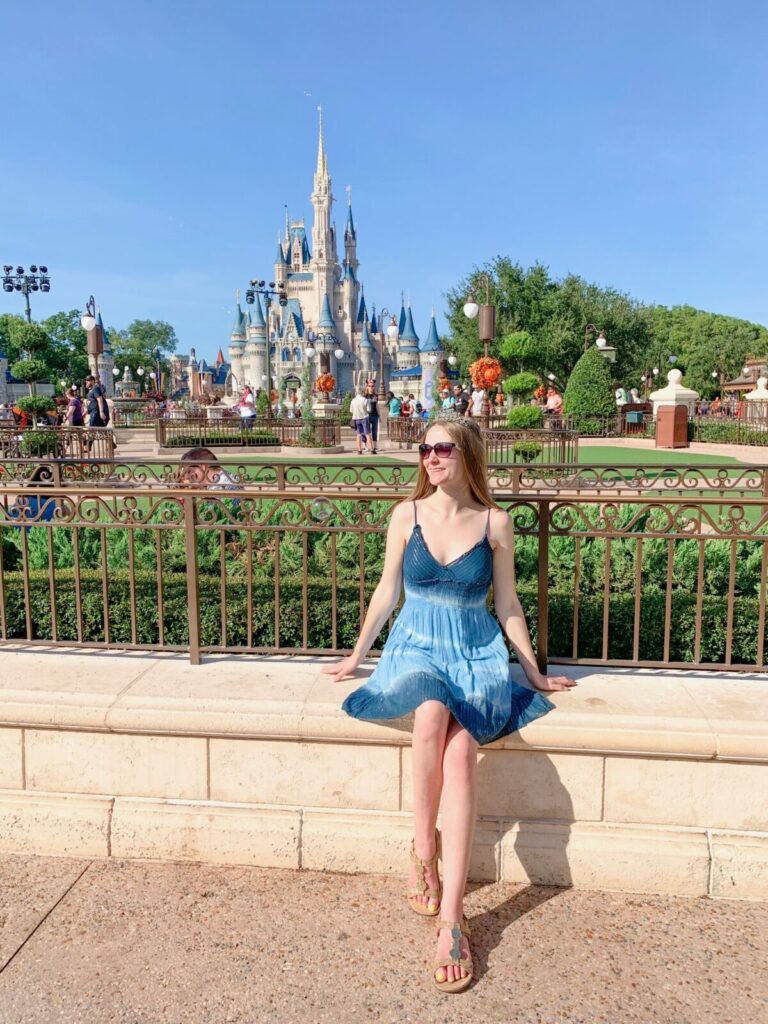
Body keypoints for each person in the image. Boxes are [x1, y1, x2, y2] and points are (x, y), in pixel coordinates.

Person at [323, 417, 575, 993]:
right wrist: (356, 655)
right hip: (416, 644)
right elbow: (387, 592)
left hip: (474, 648)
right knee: (432, 713)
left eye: (443, 448)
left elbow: (507, 603)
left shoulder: (495, 522)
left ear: (467, 455)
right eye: (426, 448)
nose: (431, 457)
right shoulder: (406, 515)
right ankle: (422, 849)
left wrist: (533, 671)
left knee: (461, 757)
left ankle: (452, 918)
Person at [350, 387, 372, 455]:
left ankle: (359, 450)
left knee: (358, 434)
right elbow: (369, 410)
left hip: (356, 418)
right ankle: (372, 449)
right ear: (362, 392)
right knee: (367, 434)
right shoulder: (365, 400)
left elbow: (351, 410)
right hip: (364, 417)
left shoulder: (353, 400)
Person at [364, 381, 380, 454]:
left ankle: (375, 446)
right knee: (366, 431)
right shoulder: (364, 396)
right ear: (367, 387)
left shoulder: (375, 395)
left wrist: (379, 415)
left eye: (372, 386)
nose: (371, 387)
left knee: (374, 431)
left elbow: (377, 406)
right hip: (367, 415)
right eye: (369, 386)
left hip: (374, 415)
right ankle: (366, 446)